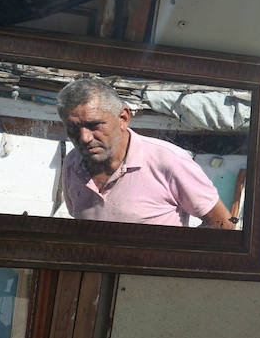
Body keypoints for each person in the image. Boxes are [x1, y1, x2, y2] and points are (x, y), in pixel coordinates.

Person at [55, 77, 236, 228]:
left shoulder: (168, 160)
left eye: (94, 125)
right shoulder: (72, 163)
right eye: (73, 128)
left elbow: (223, 224)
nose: (85, 137)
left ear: (123, 118)